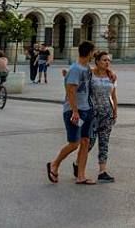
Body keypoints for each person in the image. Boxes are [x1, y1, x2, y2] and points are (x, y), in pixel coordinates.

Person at [47, 40, 96, 185]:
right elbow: (71, 91)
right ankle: (54, 164)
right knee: (74, 143)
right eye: (93, 52)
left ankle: (81, 175)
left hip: (87, 109)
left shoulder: (86, 68)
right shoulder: (76, 69)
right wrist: (75, 111)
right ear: (89, 53)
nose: (94, 54)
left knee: (85, 142)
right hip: (75, 110)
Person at [89, 51, 118, 183]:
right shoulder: (90, 74)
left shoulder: (111, 76)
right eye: (104, 60)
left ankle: (102, 171)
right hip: (92, 114)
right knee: (89, 143)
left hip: (107, 114)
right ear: (97, 62)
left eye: (109, 60)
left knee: (104, 142)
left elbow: (113, 96)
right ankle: (78, 163)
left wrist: (115, 112)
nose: (107, 63)